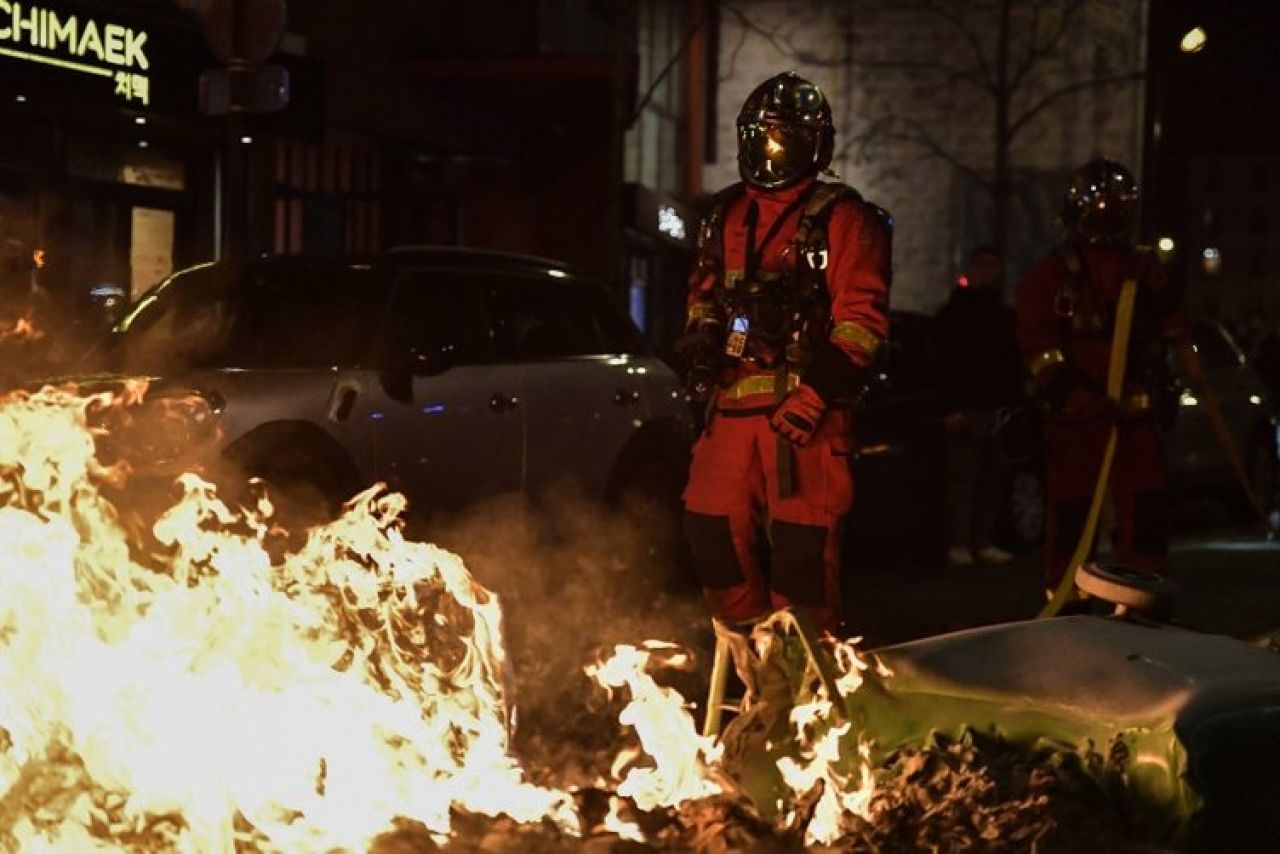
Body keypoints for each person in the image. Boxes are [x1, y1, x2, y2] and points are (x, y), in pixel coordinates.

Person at [676, 72, 890, 637]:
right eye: (761, 137)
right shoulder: (723, 216)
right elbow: (702, 298)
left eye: (785, 139)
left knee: (801, 564)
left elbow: (861, 324)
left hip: (804, 422)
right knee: (710, 533)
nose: (770, 152)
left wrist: (815, 395)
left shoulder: (844, 219)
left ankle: (806, 689)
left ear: (814, 145)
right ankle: (755, 666)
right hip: (732, 408)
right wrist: (700, 349)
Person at [1015, 158, 1185, 597]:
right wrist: (1072, 393)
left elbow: (1172, 331)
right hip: (1078, 419)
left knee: (1145, 507)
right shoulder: (1055, 274)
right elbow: (1037, 343)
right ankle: (1067, 594)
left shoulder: (1144, 271)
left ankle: (1142, 593)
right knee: (1073, 509)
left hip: (1135, 417)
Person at [934, 244, 1025, 568]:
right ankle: (960, 543)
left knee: (990, 477)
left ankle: (981, 540)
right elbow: (942, 364)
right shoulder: (955, 315)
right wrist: (950, 407)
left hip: (994, 407)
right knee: (963, 478)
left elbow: (1011, 362)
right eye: (982, 264)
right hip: (967, 406)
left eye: (993, 265)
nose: (988, 271)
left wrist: (1011, 404)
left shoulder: (1001, 314)